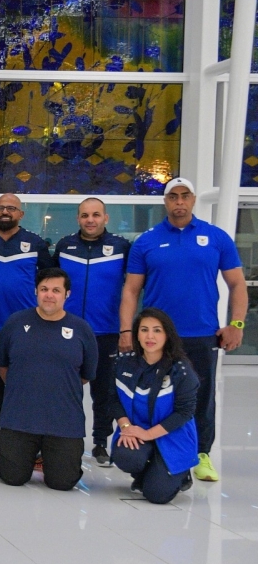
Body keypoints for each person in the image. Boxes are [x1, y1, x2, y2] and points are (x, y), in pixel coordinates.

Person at [120, 177, 247, 483]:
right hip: (156, 338)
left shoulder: (216, 237)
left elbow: (237, 284)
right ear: (165, 201)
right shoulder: (146, 241)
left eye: (185, 195)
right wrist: (126, 331)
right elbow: (131, 290)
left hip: (201, 334)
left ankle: (201, 454)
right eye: (173, 196)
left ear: (193, 199)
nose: (179, 201)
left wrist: (236, 324)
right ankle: (155, 448)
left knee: (201, 397)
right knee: (155, 395)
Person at [0, 268, 98, 491]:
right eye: (44, 289)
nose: (49, 295)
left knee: (62, 482)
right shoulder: (15, 323)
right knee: (12, 476)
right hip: (20, 418)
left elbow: (85, 375)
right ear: (36, 291)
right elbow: (3, 366)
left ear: (67, 294)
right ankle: (29, 455)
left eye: (56, 290)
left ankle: (47, 457)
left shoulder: (81, 329)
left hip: (64, 422)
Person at [0, 193, 53, 457]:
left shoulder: (35, 243)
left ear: (21, 214)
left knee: (26, 384)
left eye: (11, 208)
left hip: (26, 328)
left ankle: (28, 436)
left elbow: (49, 282)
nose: (5, 212)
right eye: (0, 208)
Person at [55, 198, 130, 466]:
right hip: (68, 331)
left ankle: (100, 442)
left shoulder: (121, 247)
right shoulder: (65, 246)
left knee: (104, 391)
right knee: (64, 388)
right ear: (78, 218)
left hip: (106, 331)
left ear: (105, 218)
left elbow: (133, 288)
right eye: (85, 215)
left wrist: (127, 329)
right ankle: (61, 438)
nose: (90, 220)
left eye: (96, 215)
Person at [111, 309, 199, 504]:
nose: (150, 336)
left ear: (167, 335)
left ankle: (180, 474)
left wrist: (148, 434)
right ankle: (147, 471)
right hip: (137, 430)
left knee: (157, 495)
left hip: (171, 435)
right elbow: (112, 399)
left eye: (157, 330)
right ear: (137, 334)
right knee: (126, 456)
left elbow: (184, 412)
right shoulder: (123, 363)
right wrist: (126, 427)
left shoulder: (181, 370)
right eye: (144, 330)